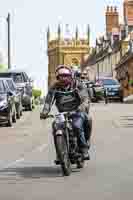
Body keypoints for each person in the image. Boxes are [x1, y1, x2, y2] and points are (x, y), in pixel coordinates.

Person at [40, 65, 92, 160]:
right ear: (57, 77)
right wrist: (45, 112)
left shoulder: (78, 84)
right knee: (56, 126)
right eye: (61, 76)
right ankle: (60, 152)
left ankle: (84, 148)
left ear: (70, 76)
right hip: (62, 113)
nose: (63, 78)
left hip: (77, 112)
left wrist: (81, 108)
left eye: (66, 76)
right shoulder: (54, 87)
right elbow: (48, 101)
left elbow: (85, 99)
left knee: (77, 126)